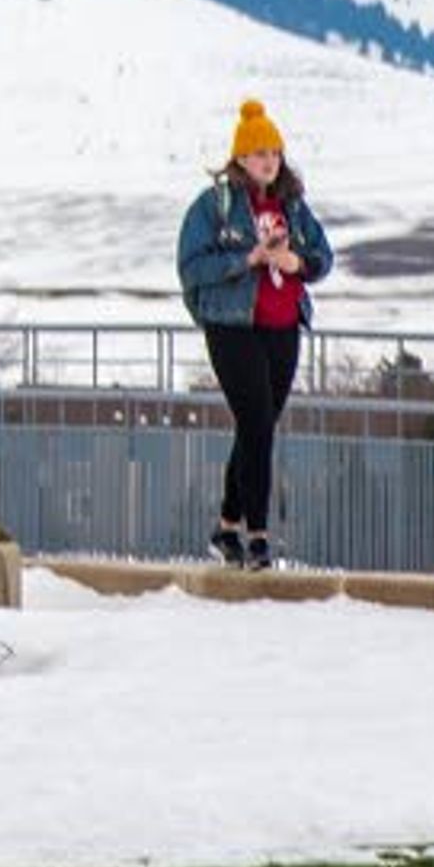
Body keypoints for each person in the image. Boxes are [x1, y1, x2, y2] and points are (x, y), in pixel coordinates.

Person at [174, 98, 333, 570]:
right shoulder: (214, 207)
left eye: (275, 152)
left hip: (284, 327)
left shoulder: (294, 208)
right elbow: (191, 267)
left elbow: (323, 258)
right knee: (259, 423)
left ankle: (226, 527)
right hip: (233, 326)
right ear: (241, 158)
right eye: (260, 152)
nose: (270, 161)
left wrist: (295, 263)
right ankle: (258, 538)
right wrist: (247, 260)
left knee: (255, 427)